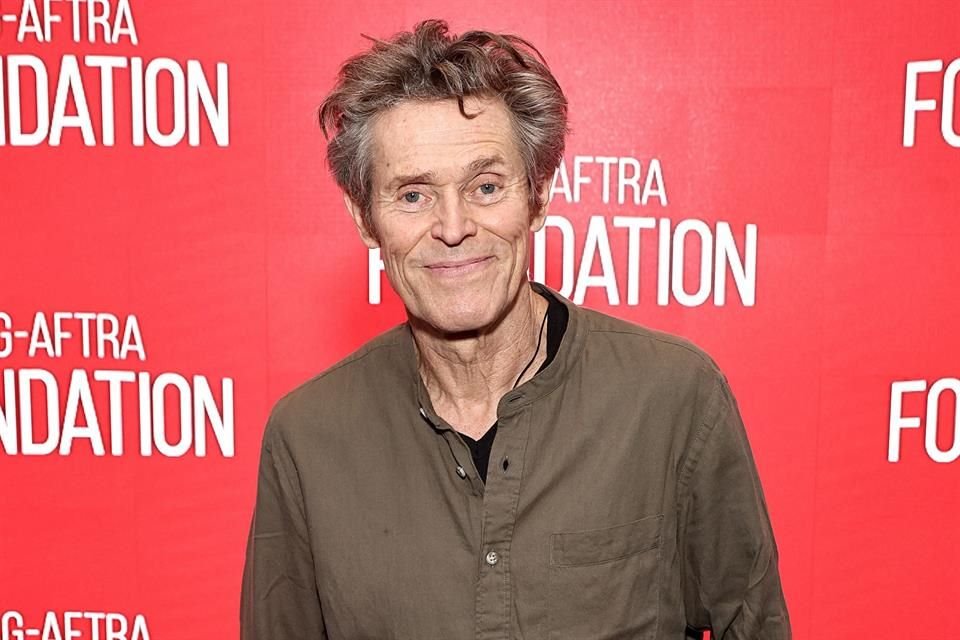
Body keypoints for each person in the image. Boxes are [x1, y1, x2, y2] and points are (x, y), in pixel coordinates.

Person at [240, 19, 791, 640]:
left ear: (539, 195)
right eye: (414, 195)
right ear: (365, 218)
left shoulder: (674, 399)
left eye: (485, 186)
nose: (453, 227)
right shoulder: (307, 438)